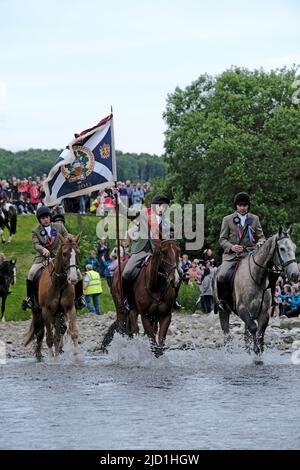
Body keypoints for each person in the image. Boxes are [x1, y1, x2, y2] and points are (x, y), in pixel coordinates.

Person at [114, 190, 181, 313]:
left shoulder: (166, 222)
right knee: (127, 273)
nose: (164, 208)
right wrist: (117, 197)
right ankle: (128, 300)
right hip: (143, 251)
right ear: (156, 205)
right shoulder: (144, 214)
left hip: (161, 254)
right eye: (162, 206)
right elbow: (127, 212)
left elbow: (175, 232)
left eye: (166, 206)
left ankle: (174, 299)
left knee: (179, 271)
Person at [22, 205, 86, 310]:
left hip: (59, 257)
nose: (46, 220)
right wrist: (43, 250)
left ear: (50, 217)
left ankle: (80, 298)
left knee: (78, 273)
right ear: (40, 220)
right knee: (31, 273)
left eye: (47, 217)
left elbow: (66, 234)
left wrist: (72, 238)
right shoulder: (36, 231)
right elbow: (35, 244)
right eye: (43, 218)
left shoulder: (58, 226)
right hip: (42, 258)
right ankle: (30, 299)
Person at [215, 191, 266, 313]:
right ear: (236, 206)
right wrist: (231, 247)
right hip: (232, 255)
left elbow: (262, 236)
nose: (242, 208)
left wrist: (260, 242)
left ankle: (268, 298)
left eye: (245, 205)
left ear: (248, 206)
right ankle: (222, 301)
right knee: (221, 276)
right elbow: (222, 239)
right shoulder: (227, 219)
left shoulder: (254, 219)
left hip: (250, 254)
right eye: (240, 205)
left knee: (266, 272)